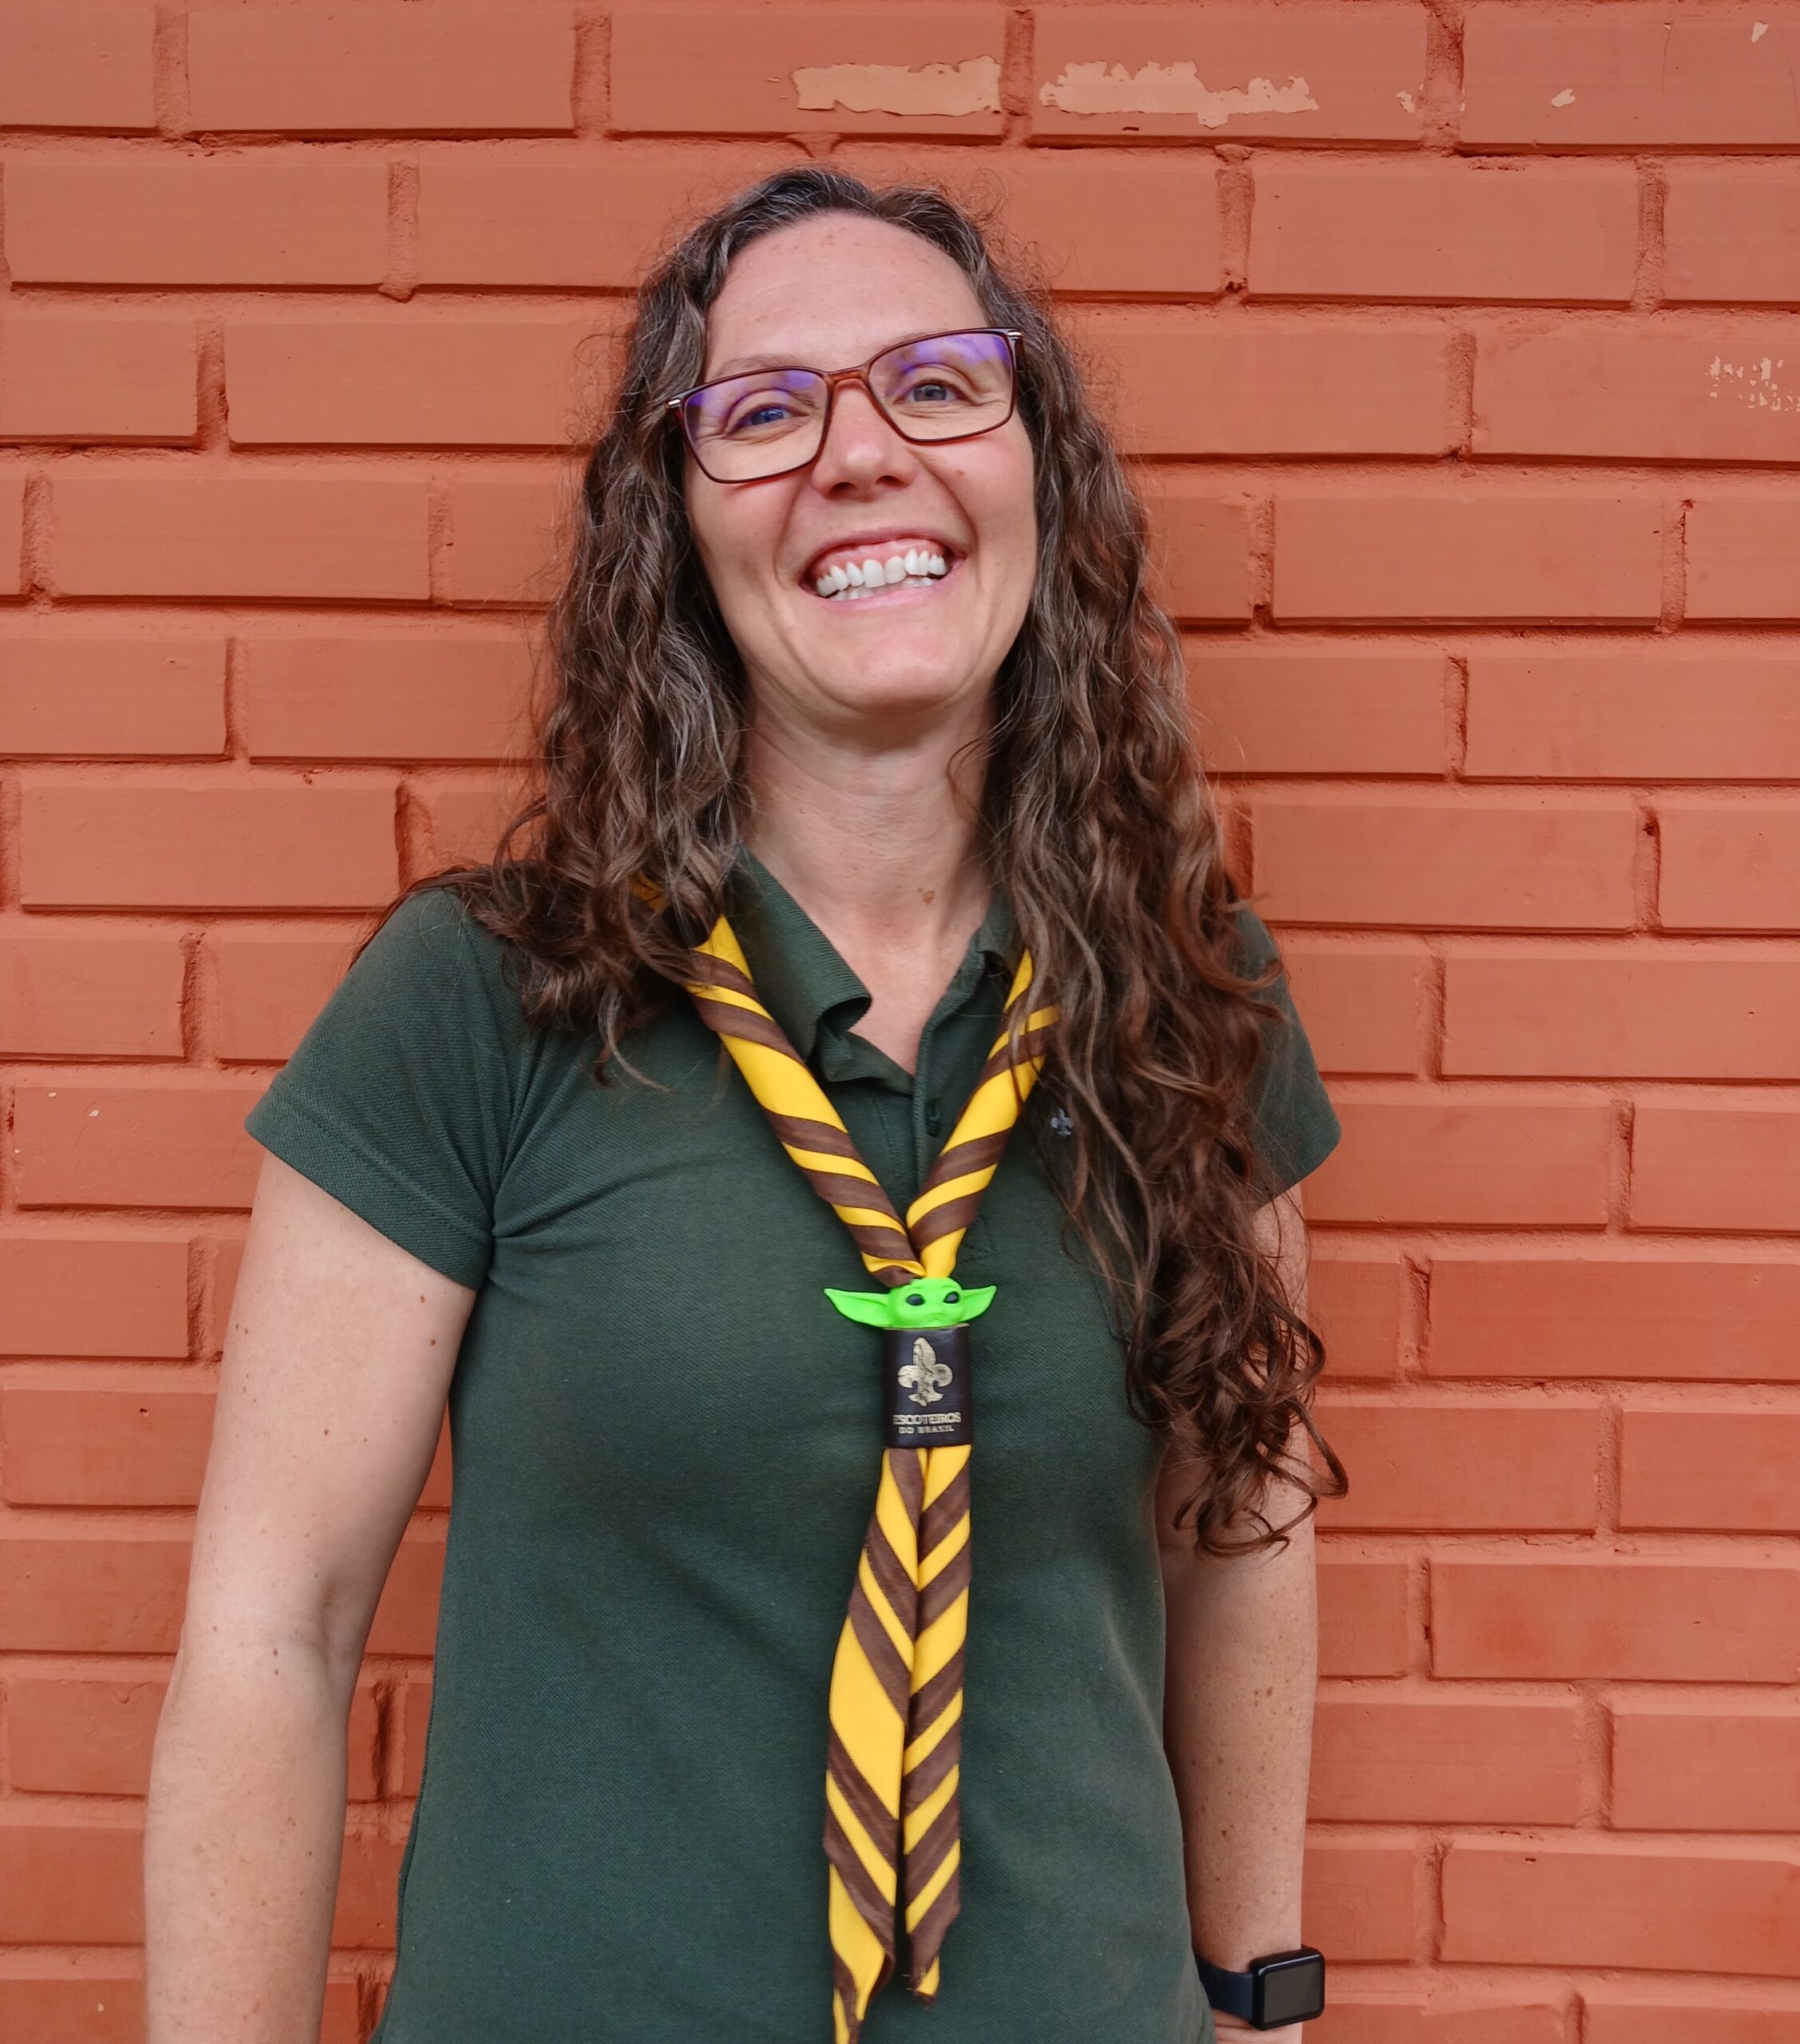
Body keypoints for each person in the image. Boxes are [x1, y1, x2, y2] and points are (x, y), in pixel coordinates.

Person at [144, 167, 1346, 2044]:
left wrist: (1260, 1990)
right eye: (767, 411)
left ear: (1038, 463)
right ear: (677, 529)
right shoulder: (482, 1001)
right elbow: (270, 1631)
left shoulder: (1189, 996)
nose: (861, 455)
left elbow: (1240, 1521)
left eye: (937, 383)